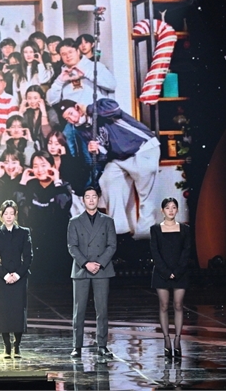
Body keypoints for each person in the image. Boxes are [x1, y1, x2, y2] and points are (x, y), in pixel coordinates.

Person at [56, 98, 160, 236]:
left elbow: (114, 109)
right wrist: (96, 151)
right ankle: (120, 231)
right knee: (107, 179)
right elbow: (104, 156)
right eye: (67, 118)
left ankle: (144, 236)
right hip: (120, 157)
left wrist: (89, 109)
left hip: (143, 149)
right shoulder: (81, 130)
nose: (71, 119)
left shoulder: (100, 107)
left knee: (146, 196)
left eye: (71, 113)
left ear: (77, 108)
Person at [67, 187, 117, 359]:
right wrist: (86, 263)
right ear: (83, 200)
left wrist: (99, 263)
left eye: (93, 196)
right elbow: (72, 246)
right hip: (81, 269)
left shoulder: (107, 221)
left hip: (102, 269)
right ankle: (77, 346)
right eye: (87, 197)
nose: (90, 200)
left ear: (98, 199)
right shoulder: (74, 221)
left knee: (102, 310)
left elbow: (112, 245)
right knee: (79, 310)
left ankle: (102, 345)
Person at [15, 151, 73, 283]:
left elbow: (62, 206)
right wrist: (22, 182)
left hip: (58, 239)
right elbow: (18, 207)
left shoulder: (63, 185)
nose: (39, 170)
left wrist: (57, 182)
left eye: (43, 165)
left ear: (52, 166)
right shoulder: (30, 186)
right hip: (36, 238)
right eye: (35, 166)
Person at [0, 200, 33, 359]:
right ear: (1, 215)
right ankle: (7, 346)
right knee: (3, 311)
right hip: (2, 278)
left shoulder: (24, 232)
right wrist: (5, 275)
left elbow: (28, 257)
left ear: (15, 215)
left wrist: (18, 275)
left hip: (20, 277)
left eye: (11, 214)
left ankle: (17, 345)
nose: (8, 216)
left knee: (18, 311)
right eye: (6, 213)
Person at [150, 197, 192, 359]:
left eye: (174, 207)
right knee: (163, 305)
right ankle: (166, 340)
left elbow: (186, 252)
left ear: (177, 210)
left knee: (178, 305)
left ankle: (177, 340)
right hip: (162, 272)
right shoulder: (155, 229)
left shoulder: (185, 229)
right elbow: (155, 253)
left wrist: (177, 271)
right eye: (167, 208)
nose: (171, 210)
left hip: (180, 272)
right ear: (162, 210)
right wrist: (167, 272)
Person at [46, 38, 116, 105]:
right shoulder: (61, 73)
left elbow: (112, 85)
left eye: (70, 52)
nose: (68, 56)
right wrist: (59, 82)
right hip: (72, 112)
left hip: (96, 110)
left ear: (78, 52)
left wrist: (87, 73)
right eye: (64, 54)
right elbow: (51, 101)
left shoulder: (95, 66)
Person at [19, 85, 59, 150]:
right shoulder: (26, 113)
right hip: (29, 147)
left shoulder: (50, 111)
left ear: (41, 98)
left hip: (46, 148)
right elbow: (20, 132)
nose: (32, 101)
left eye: (35, 98)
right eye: (29, 98)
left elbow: (47, 134)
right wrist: (20, 112)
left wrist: (43, 112)